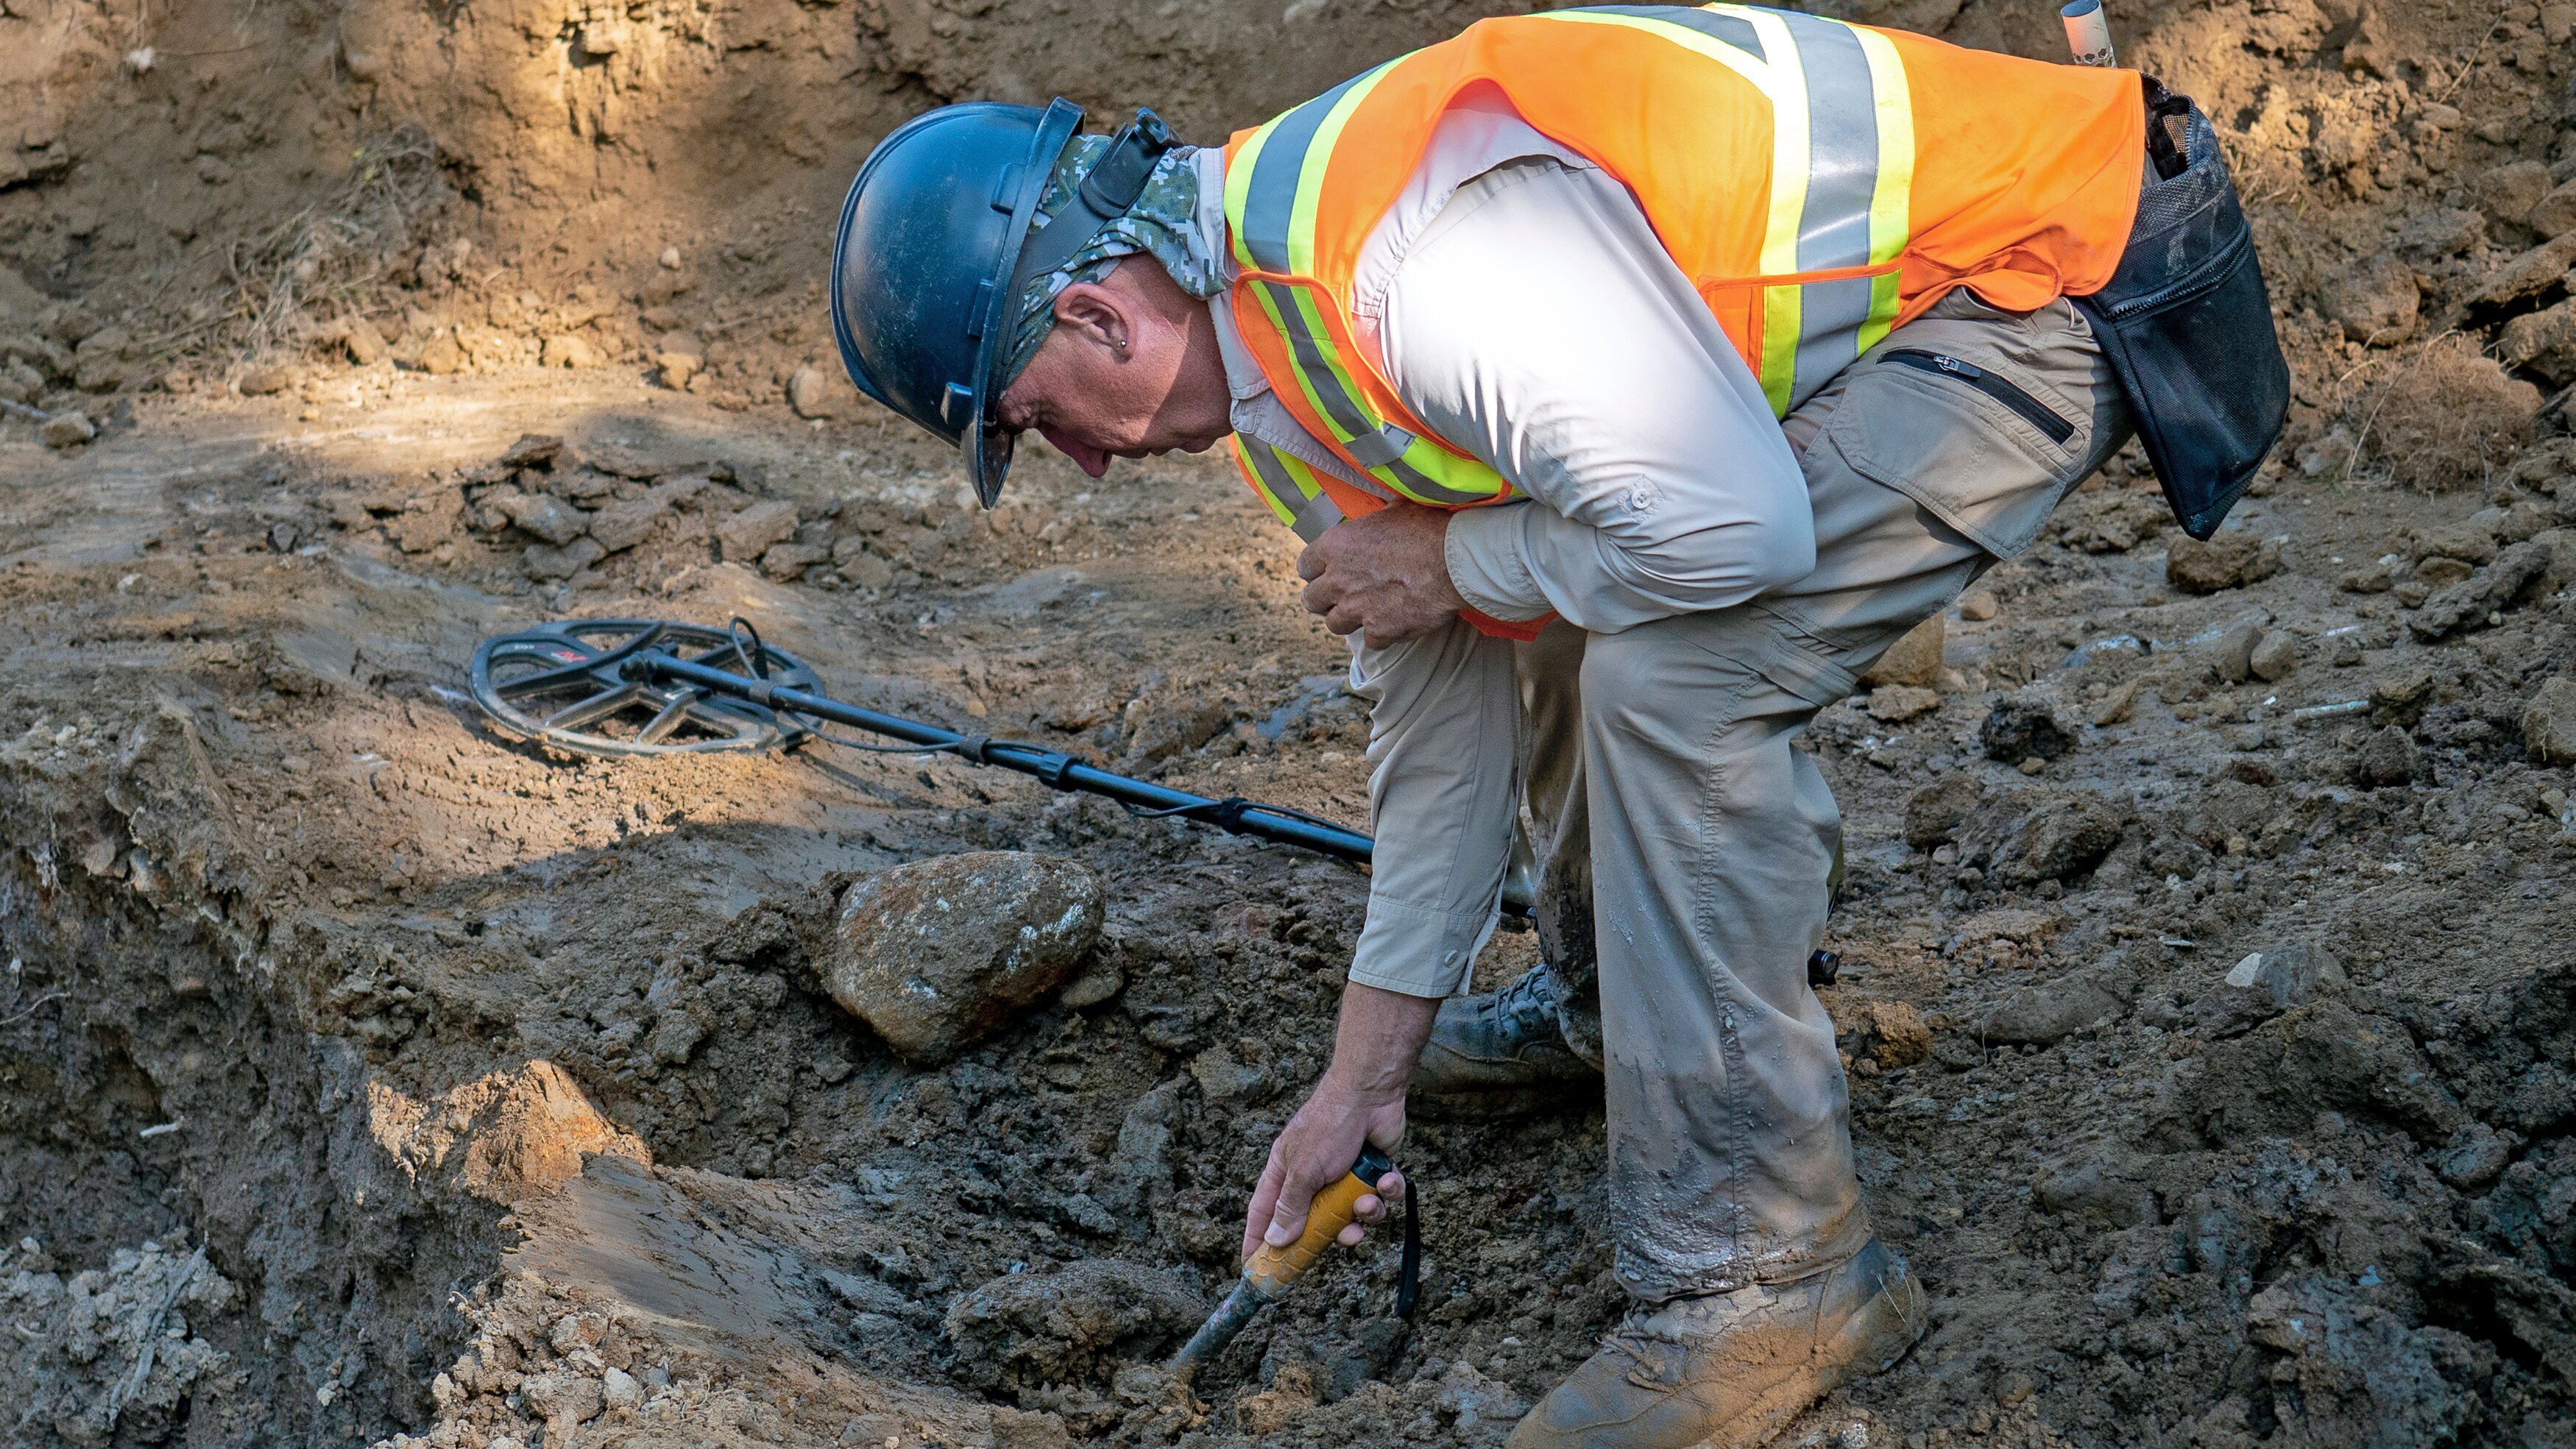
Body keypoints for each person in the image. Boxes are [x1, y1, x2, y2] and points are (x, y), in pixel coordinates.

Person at [825, 8, 2278, 1442]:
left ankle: (1767, 1280)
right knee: (1581, 575)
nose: (1072, 465)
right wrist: (1362, 1077)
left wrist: (1456, 560)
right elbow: (1438, 731)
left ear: (1091, 312)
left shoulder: (1424, 276)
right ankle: (1618, 1009)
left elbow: (1731, 531)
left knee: (1670, 672)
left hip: (2047, 276)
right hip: (1916, 314)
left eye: (1030, 421)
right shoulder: (1287, 374)